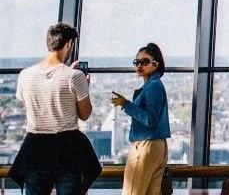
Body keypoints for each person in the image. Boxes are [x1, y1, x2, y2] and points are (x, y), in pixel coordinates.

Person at [10, 23, 102, 195]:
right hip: (66, 149)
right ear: (68, 44)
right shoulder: (75, 76)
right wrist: (82, 88)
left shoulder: (25, 75)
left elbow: (30, 104)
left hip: (35, 148)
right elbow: (84, 114)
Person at [110, 43, 171, 195]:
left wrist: (126, 104)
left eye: (145, 62)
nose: (139, 65)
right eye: (137, 62)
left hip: (146, 146)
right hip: (156, 146)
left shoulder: (153, 86)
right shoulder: (153, 85)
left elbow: (150, 119)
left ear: (155, 65)